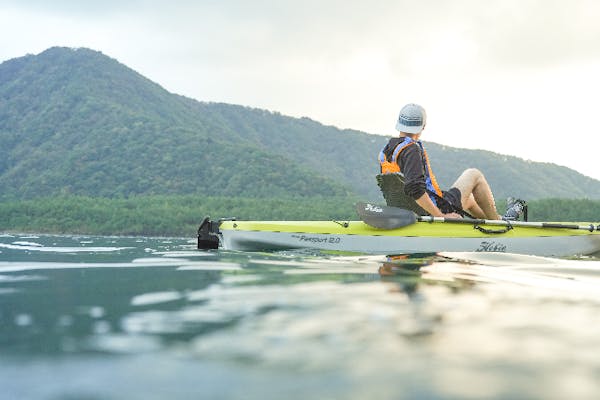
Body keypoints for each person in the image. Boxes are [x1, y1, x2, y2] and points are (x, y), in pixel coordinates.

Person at [379, 103, 526, 220]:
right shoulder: (411, 150)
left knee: (469, 200)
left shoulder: (388, 150)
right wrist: (440, 216)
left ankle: (496, 220)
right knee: (474, 174)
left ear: (399, 123)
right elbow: (415, 189)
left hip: (407, 208)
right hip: (434, 208)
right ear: (423, 126)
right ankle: (499, 223)